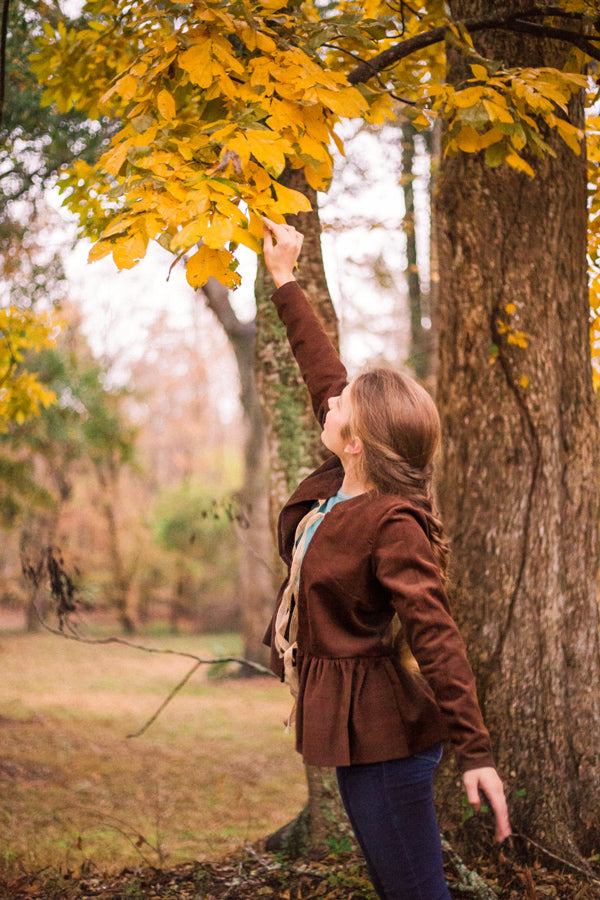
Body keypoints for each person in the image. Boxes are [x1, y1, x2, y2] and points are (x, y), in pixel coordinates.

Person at [261, 218, 511, 900]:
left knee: (415, 893)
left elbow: (436, 633)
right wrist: (285, 276)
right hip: (358, 737)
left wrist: (477, 755)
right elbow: (322, 368)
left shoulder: (392, 521)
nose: (331, 398)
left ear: (360, 441)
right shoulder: (340, 479)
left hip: (388, 745)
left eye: (343, 404)